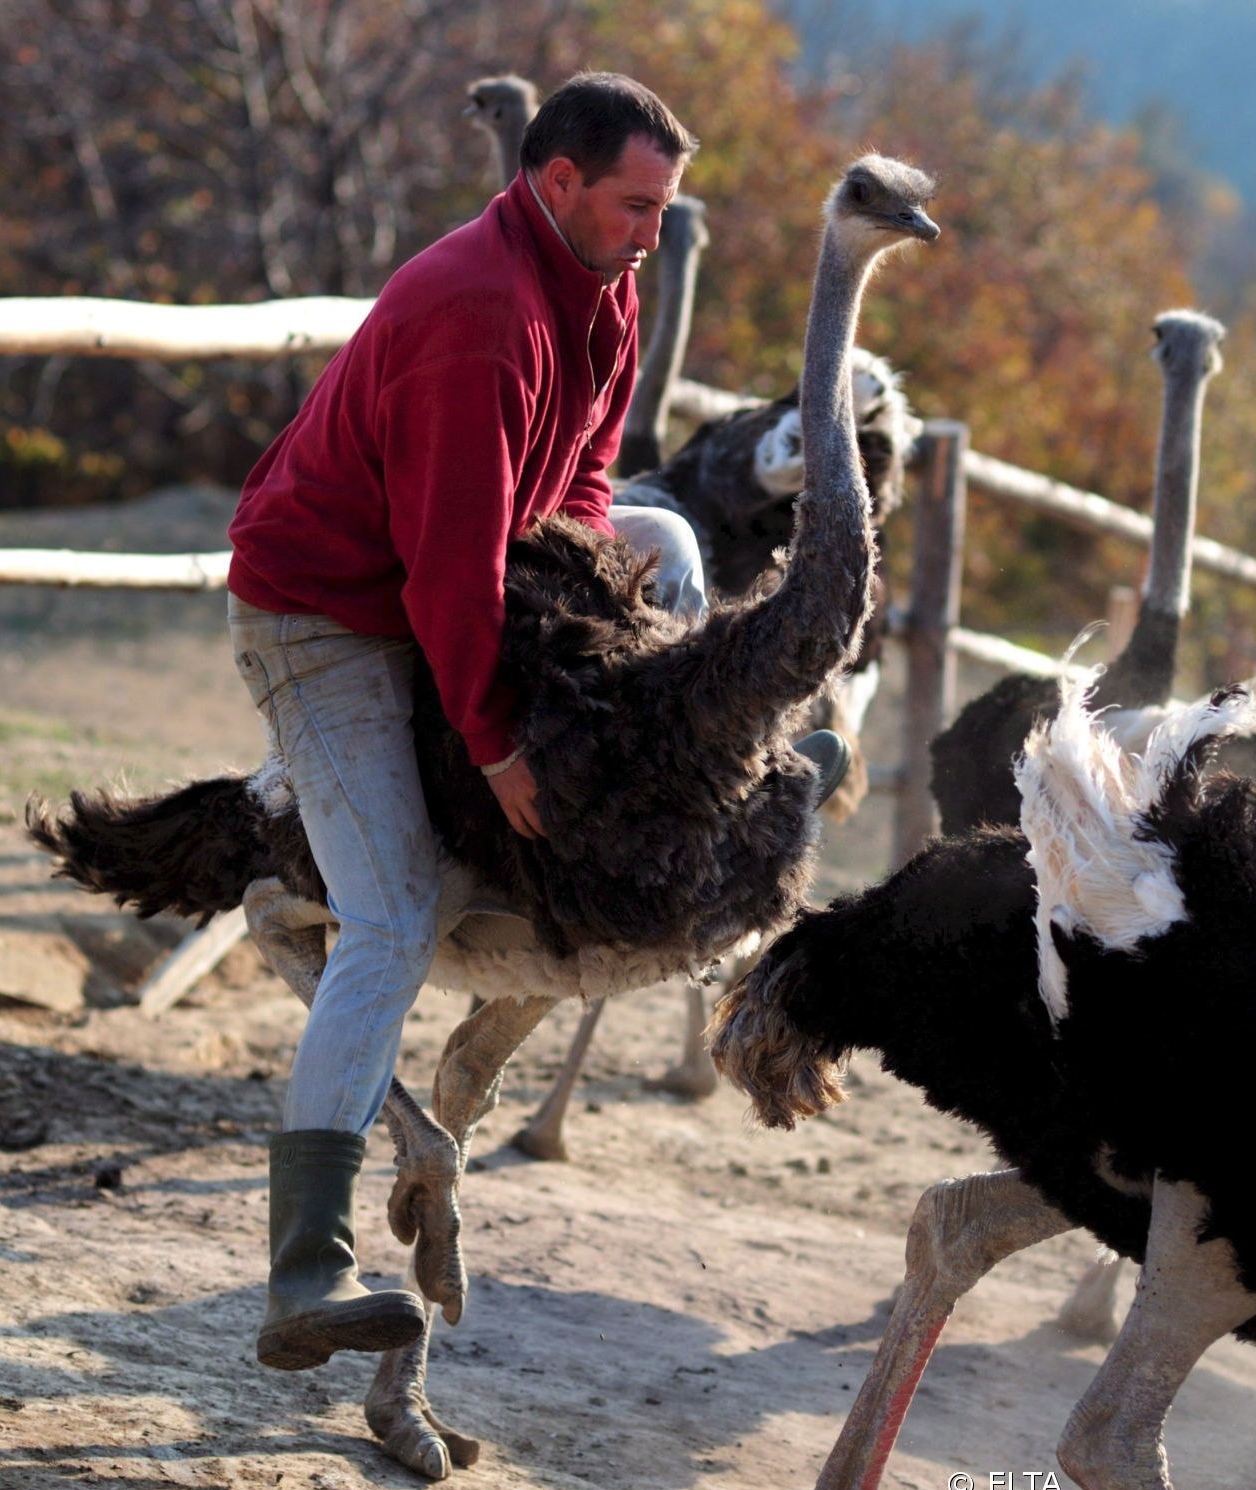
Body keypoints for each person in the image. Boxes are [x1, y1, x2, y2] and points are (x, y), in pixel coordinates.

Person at [225, 71, 844, 1370]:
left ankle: (672, 806)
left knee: (663, 531)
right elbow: (451, 565)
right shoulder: (480, 317)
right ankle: (304, 1269)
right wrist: (504, 746)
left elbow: (577, 488)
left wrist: (604, 660)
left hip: (445, 579)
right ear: (554, 183)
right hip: (331, 614)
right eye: (633, 206)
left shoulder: (602, 288)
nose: (651, 233)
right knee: (392, 913)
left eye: (664, 209)